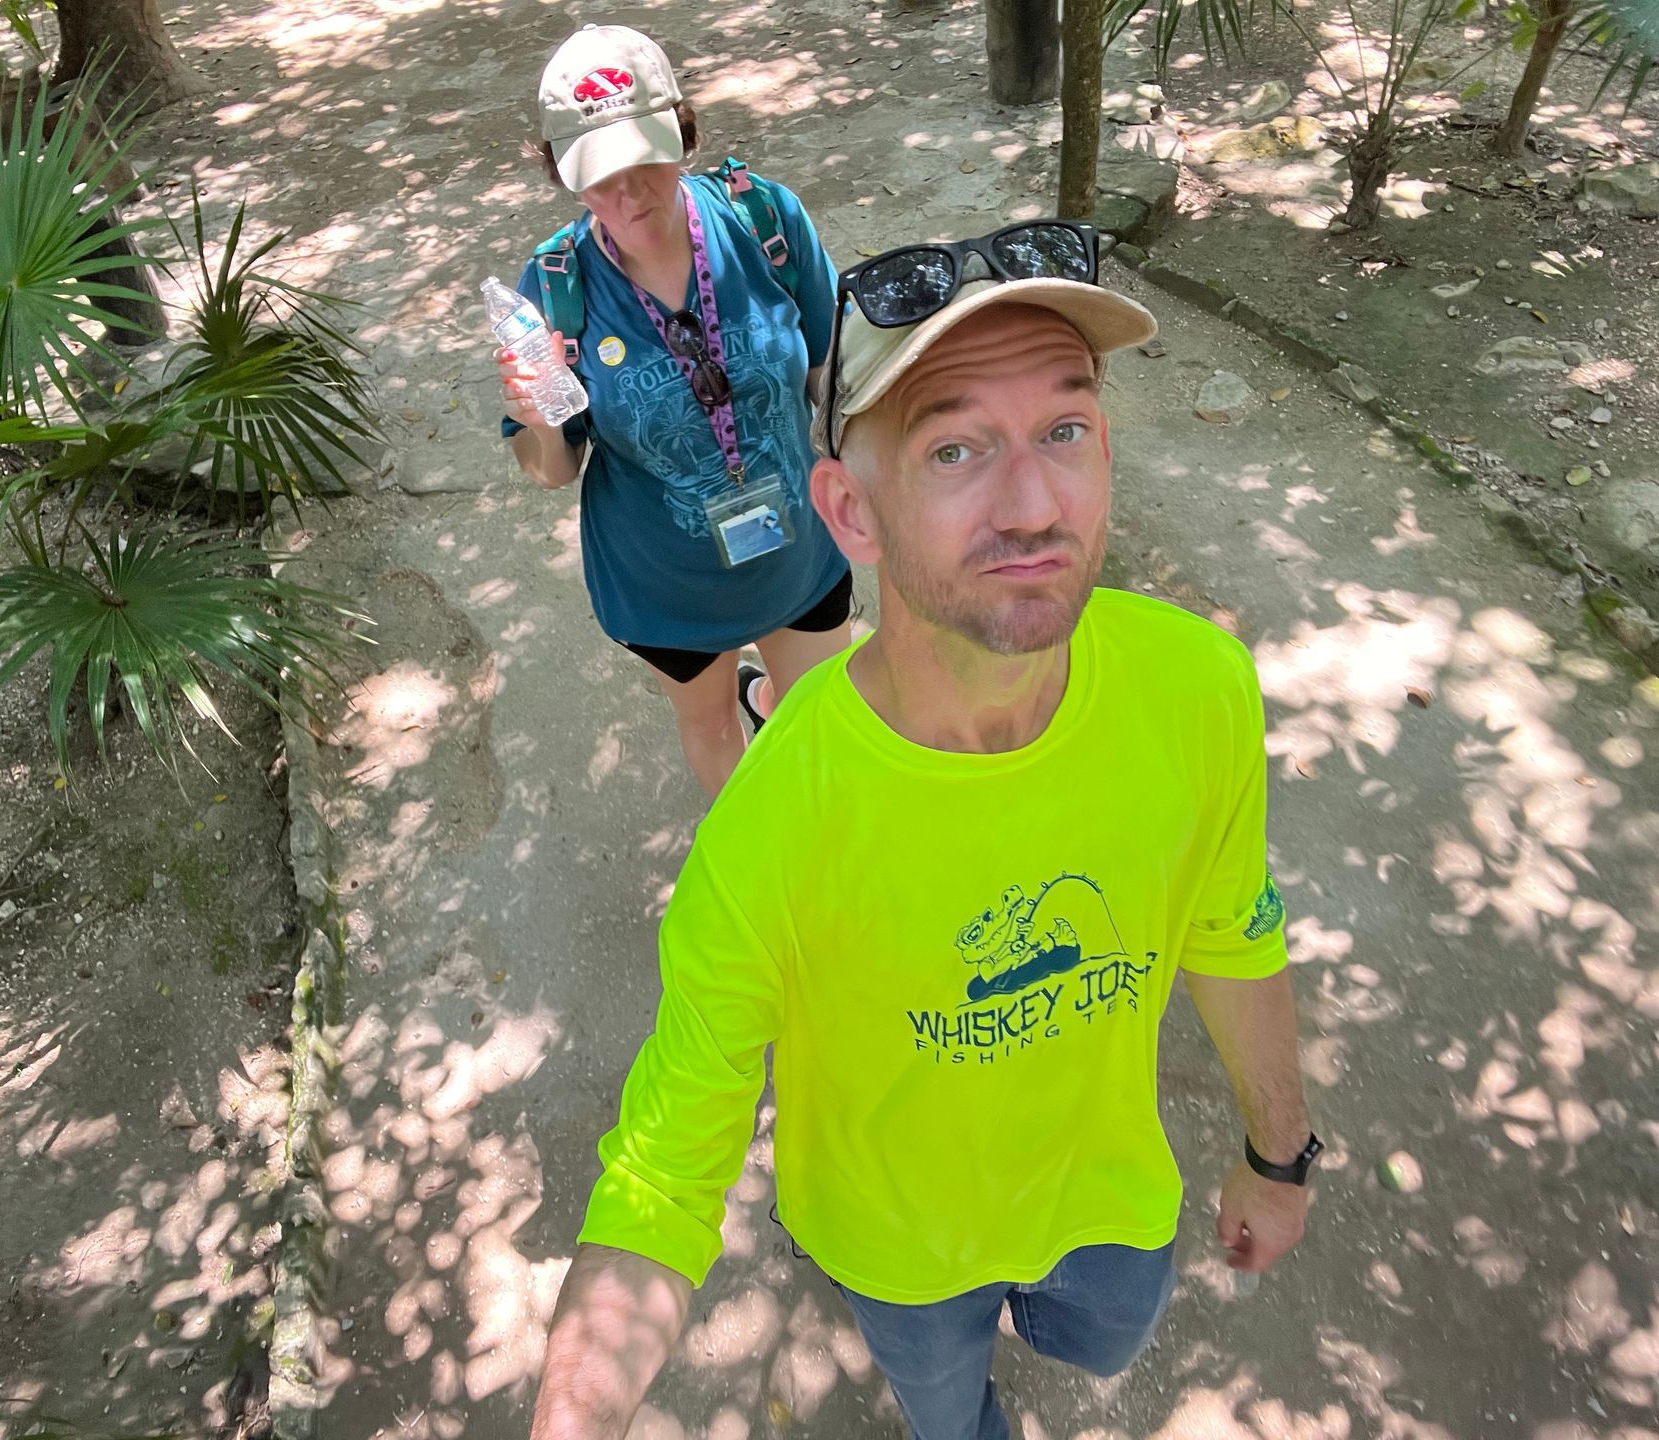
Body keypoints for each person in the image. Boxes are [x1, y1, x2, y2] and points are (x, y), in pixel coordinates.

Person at [527, 225, 1321, 1440]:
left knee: (1104, 1336)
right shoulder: (775, 824)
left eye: (1064, 430)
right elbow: (663, 1176)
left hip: (1112, 1203)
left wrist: (1279, 1157)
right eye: (954, 447)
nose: (1035, 503)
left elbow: (1230, 932)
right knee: (953, 1418)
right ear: (850, 510)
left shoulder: (1196, 688)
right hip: (894, 1250)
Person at [497, 24, 853, 798]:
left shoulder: (764, 220)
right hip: (666, 588)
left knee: (825, 723)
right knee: (713, 730)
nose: (627, 193)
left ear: (682, 133)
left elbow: (833, 379)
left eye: (643, 159)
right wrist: (536, 412)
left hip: (801, 549)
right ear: (562, 171)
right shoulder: (556, 287)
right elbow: (552, 472)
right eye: (597, 172)